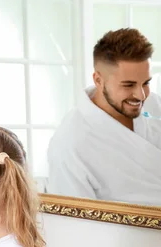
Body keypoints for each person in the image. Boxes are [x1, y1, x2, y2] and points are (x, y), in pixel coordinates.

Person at [47, 28, 161, 205]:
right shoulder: (70, 143)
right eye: (128, 85)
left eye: (146, 83)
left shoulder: (154, 104)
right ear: (98, 80)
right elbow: (73, 222)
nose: (140, 95)